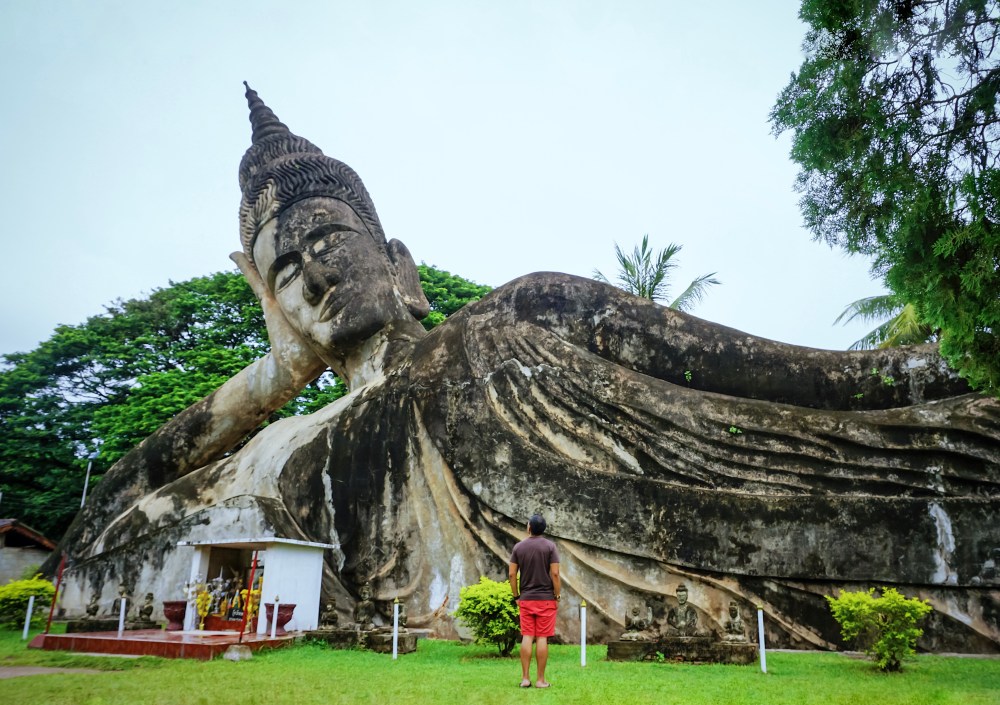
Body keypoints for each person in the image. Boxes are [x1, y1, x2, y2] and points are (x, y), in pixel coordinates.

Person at [48, 84, 1000, 650]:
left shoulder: (510, 318)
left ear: (398, 262)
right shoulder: (285, 440)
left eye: (327, 240)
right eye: (285, 274)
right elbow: (92, 540)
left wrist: (953, 362)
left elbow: (803, 381)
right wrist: (272, 376)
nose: (314, 278)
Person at [509, 514, 561, 689]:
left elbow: (512, 574)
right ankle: (540, 680)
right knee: (542, 637)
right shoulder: (550, 547)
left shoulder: (519, 547)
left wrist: (516, 596)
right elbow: (555, 574)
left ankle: (525, 679)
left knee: (527, 636)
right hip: (546, 600)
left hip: (526, 599)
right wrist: (557, 596)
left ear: (529, 527)